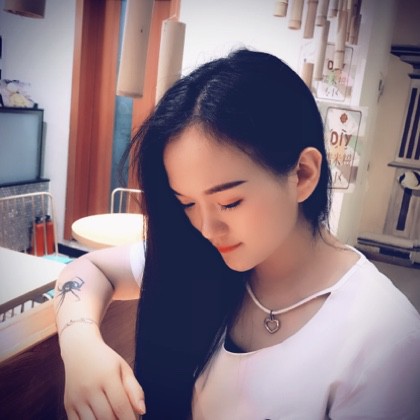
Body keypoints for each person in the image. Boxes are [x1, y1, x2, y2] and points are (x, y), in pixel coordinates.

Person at [54, 49, 420, 420]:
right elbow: (89, 270)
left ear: (303, 174)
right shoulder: (200, 260)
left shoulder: (384, 337)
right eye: (187, 203)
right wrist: (80, 344)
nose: (207, 229)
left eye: (229, 203)